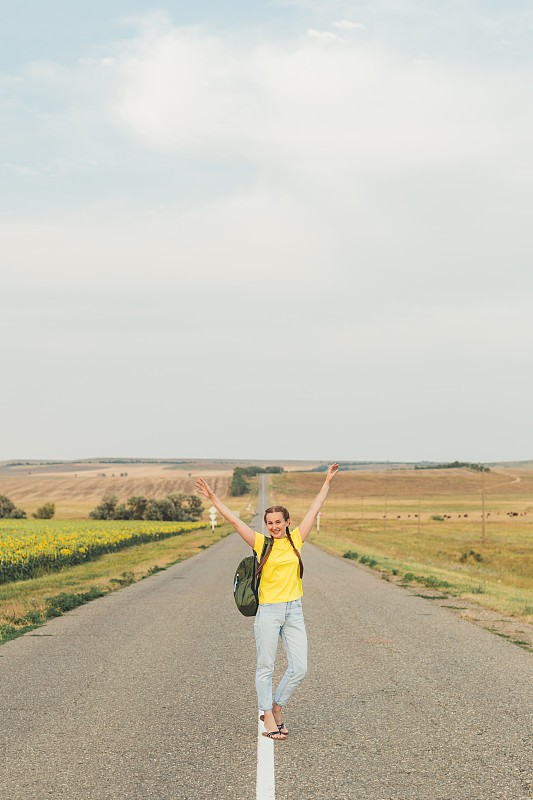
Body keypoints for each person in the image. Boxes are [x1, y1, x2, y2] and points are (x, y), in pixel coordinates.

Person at [195, 463, 339, 740]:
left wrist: (327, 481)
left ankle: (276, 706)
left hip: (294, 611)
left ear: (287, 522)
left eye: (278, 522)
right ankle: (268, 717)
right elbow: (235, 522)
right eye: (269, 523)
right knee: (266, 666)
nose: (274, 527)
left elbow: (313, 510)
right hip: (269, 612)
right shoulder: (262, 544)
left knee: (300, 667)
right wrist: (214, 498)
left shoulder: (297, 540)